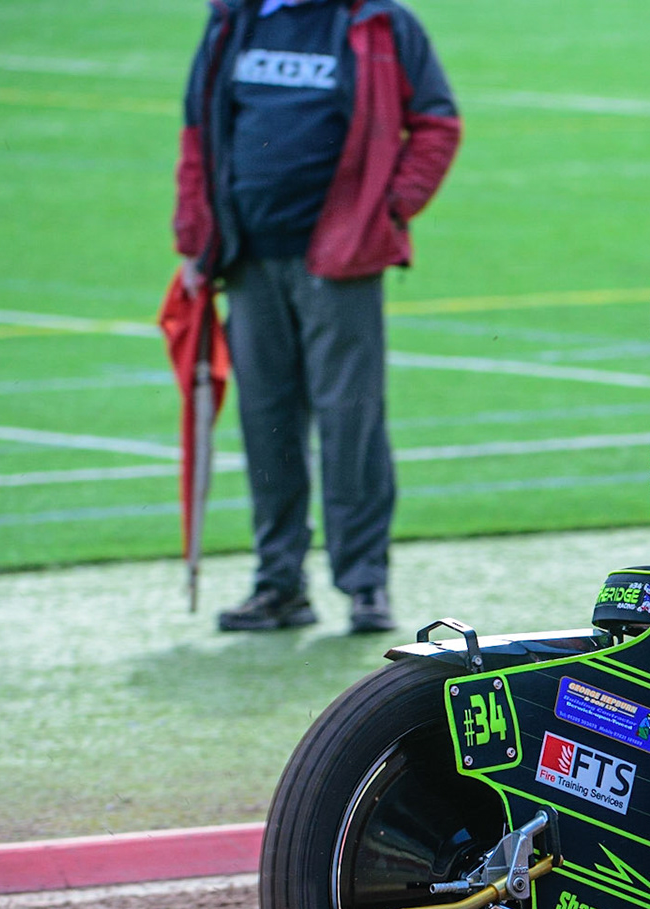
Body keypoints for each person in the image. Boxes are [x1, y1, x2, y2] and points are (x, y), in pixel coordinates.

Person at [172, 0, 461, 633]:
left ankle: (365, 585)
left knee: (349, 421)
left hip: (342, 260)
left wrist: (387, 211)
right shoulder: (234, 18)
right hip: (248, 257)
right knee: (265, 422)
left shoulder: (378, 22)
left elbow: (437, 123)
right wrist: (196, 235)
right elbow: (199, 133)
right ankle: (279, 584)